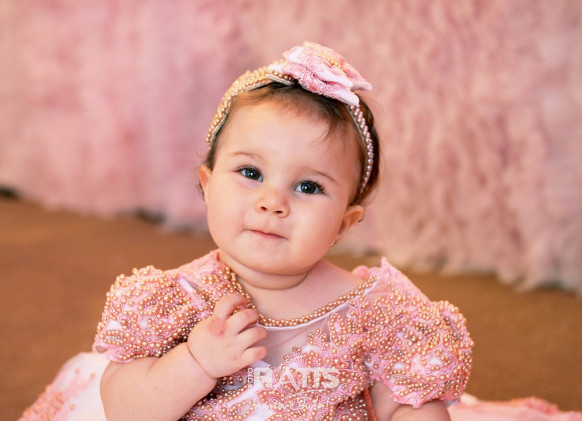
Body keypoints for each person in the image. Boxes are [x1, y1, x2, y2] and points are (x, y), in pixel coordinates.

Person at [22, 42, 577, 421]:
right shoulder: (171, 300)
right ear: (207, 185)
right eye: (250, 173)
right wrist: (195, 363)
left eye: (308, 187)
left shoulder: (377, 309)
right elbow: (125, 410)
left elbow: (404, 403)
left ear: (344, 224)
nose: (273, 202)